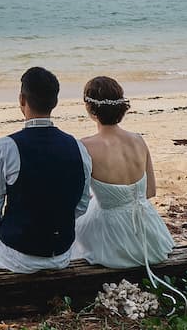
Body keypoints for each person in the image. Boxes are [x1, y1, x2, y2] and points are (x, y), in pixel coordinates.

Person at [0, 66, 91, 271]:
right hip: (61, 253)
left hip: (20, 255)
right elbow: (81, 204)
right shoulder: (78, 147)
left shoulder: (6, 146)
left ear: (21, 100)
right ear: (55, 102)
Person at [71, 75, 174, 269]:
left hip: (112, 236)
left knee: (77, 234)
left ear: (91, 109)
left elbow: (79, 201)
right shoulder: (138, 140)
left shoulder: (84, 146)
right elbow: (150, 192)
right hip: (148, 232)